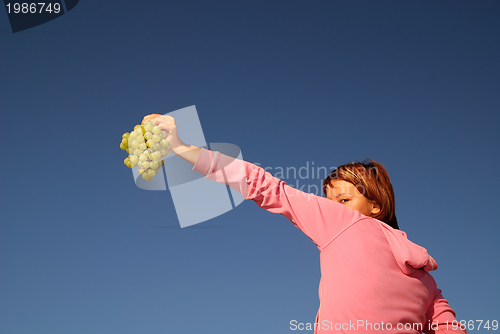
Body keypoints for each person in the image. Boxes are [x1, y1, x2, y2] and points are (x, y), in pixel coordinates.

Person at [144, 114, 467, 334]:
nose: (331, 208)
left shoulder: (342, 222)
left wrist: (181, 146)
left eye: (343, 199)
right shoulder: (426, 279)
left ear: (375, 206)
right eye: (328, 200)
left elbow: (262, 185)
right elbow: (448, 326)